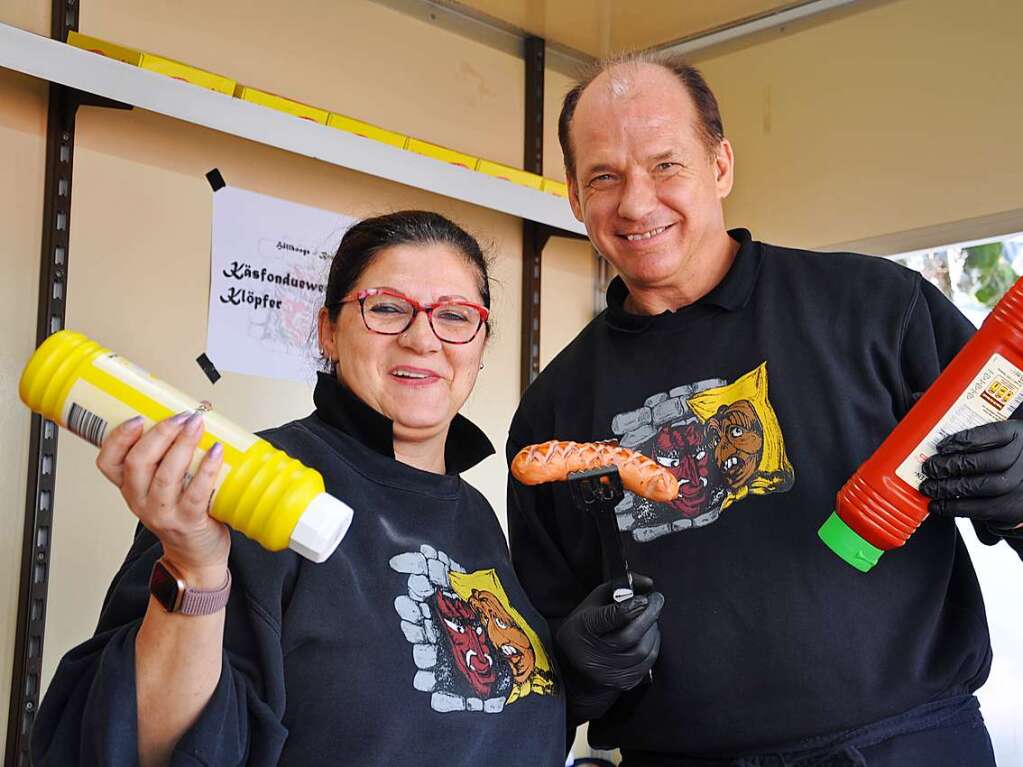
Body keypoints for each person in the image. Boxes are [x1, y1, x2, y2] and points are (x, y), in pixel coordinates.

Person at [507, 52, 1023, 766]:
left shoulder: (876, 308)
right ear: (573, 197)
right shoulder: (551, 413)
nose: (634, 202)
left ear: (719, 165)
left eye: (665, 165)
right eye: (603, 176)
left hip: (906, 744)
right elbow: (539, 671)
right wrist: (579, 662)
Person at [33, 211, 565, 766]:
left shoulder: (475, 511)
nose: (422, 338)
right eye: (386, 308)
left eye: (455, 316)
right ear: (329, 332)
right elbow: (144, 748)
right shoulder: (247, 482)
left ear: (479, 347)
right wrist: (196, 568)